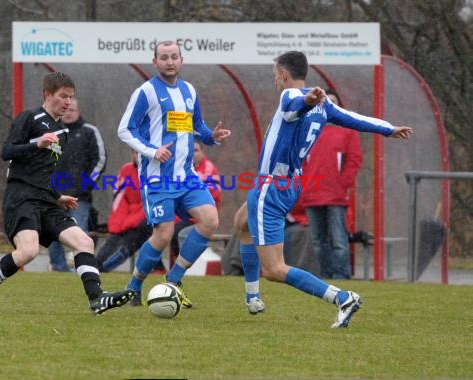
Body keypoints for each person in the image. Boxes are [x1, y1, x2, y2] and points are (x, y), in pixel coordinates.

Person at [238, 51, 412, 328]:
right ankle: (252, 296)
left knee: (274, 269)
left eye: (275, 75)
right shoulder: (325, 106)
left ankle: (342, 297)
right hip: (287, 184)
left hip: (271, 186)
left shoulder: (292, 97)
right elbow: (355, 118)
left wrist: (307, 101)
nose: (275, 80)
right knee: (242, 222)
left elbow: (295, 105)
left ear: (284, 74)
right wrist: (388, 129)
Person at [0, 72, 133, 314]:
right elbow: (7, 151)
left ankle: (96, 299)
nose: (68, 102)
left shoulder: (61, 133)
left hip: (47, 199)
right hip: (21, 197)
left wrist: (57, 196)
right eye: (63, 96)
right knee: (28, 251)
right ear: (47, 94)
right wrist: (36, 143)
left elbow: (43, 172)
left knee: (83, 241)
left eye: (71, 97)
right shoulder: (29, 118)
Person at [117, 40, 231, 307]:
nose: (169, 61)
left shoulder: (189, 90)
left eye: (174, 57)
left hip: (187, 175)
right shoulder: (146, 92)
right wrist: (152, 150)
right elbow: (125, 129)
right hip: (157, 178)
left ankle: (174, 278)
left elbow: (197, 125)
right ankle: (134, 286)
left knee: (210, 220)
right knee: (164, 234)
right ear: (154, 62)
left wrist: (211, 137)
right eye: (164, 57)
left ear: (182, 60)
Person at [301, 89, 363, 279]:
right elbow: (299, 159)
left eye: (332, 102)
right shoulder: (308, 129)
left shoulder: (347, 130)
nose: (327, 105)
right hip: (311, 194)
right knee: (319, 241)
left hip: (336, 194)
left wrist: (343, 183)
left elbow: (355, 159)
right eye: (323, 101)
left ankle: (342, 276)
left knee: (338, 239)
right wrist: (303, 185)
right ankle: (326, 276)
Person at [47, 97, 107, 272]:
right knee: (52, 232)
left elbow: (101, 159)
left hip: (79, 195)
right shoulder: (52, 133)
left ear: (78, 111)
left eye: (71, 110)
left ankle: (81, 269)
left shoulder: (89, 131)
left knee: (79, 232)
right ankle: (59, 268)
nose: (68, 113)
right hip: (54, 194)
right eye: (64, 110)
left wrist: (87, 184)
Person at [95, 150, 153, 272]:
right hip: (129, 216)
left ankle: (105, 266)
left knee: (136, 232)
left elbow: (152, 202)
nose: (138, 156)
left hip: (147, 218)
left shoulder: (156, 171)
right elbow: (120, 198)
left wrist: (129, 221)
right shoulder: (126, 170)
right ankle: (96, 265)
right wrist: (119, 223)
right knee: (114, 238)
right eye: (136, 152)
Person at [171, 138, 222, 259]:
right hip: (183, 215)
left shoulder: (209, 169)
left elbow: (213, 197)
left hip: (201, 216)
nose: (193, 153)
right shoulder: (180, 168)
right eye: (190, 150)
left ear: (202, 152)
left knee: (177, 232)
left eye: (196, 150)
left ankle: (187, 264)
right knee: (159, 227)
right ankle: (163, 268)